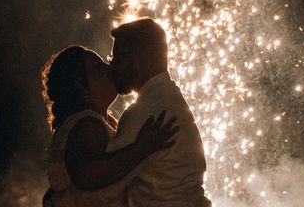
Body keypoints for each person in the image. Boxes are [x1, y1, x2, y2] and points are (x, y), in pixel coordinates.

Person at [41, 45, 179, 207]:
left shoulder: (97, 122)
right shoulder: (87, 124)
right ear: (79, 83)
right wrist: (142, 148)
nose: (110, 67)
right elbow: (85, 175)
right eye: (98, 65)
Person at [108, 18, 211, 207]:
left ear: (141, 58)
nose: (113, 66)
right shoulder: (169, 100)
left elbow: (104, 180)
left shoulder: (143, 112)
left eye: (118, 58)